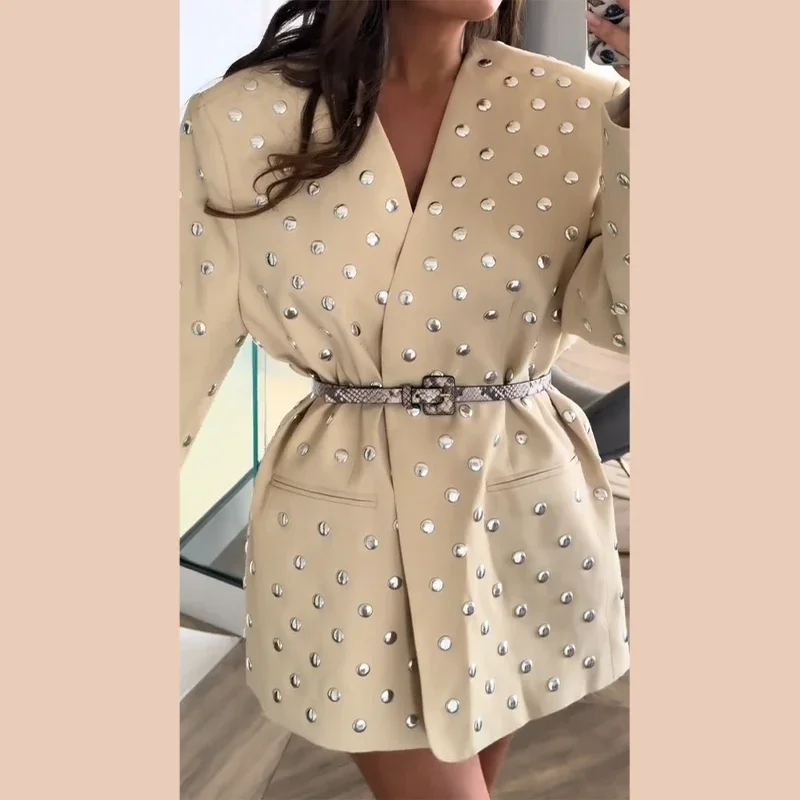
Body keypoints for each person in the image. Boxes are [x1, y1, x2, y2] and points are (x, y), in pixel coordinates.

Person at [179, 0, 631, 797]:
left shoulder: (578, 107)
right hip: (350, 531)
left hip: (521, 514)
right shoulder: (238, 122)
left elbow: (630, 318)